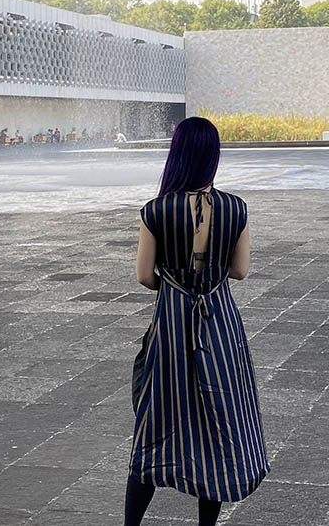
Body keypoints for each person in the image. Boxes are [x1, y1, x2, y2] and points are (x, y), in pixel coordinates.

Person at [125, 117, 269, 526]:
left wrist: (173, 286)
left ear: (178, 154)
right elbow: (240, 272)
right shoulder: (235, 208)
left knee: (157, 423)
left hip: (171, 327)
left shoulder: (156, 211)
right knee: (220, 422)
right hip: (220, 325)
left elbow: (143, 275)